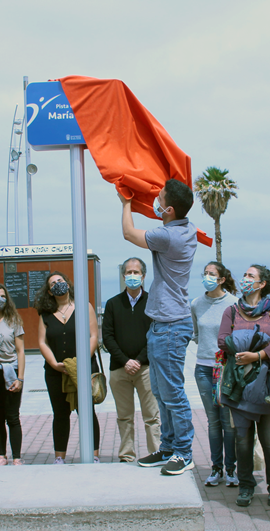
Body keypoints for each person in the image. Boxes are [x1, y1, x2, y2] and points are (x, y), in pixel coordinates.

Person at [119, 178, 198, 476]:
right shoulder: (185, 228)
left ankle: (184, 452)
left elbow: (128, 233)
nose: (155, 198)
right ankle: (168, 447)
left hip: (170, 326)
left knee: (172, 392)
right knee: (162, 391)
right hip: (163, 325)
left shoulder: (169, 237)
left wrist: (126, 201)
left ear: (169, 209)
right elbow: (161, 218)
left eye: (160, 197)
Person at [218, 264, 270, 506]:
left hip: (266, 385)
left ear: (262, 283)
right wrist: (254, 343)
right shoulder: (232, 311)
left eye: (250, 276)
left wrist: (256, 355)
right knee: (242, 440)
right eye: (244, 274)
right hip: (238, 384)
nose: (245, 279)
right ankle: (246, 486)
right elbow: (223, 340)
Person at [35, 271, 101, 463]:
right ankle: (59, 457)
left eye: (60, 281)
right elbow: (42, 342)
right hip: (56, 372)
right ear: (49, 291)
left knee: (87, 412)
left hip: (83, 369)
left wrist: (81, 362)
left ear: (68, 284)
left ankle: (93, 455)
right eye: (53, 283)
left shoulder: (83, 306)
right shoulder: (45, 313)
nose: (58, 284)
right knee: (60, 414)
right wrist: (54, 364)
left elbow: (93, 336)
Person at [103, 257, 161, 463]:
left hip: (146, 369)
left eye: (136, 272)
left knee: (152, 417)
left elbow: (156, 333)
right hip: (120, 369)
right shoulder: (112, 304)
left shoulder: (153, 301)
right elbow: (107, 337)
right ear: (123, 276)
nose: (133, 276)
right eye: (129, 272)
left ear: (144, 276)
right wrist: (125, 361)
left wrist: (138, 360)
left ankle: (156, 453)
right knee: (124, 416)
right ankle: (127, 455)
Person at [192, 261, 238, 486]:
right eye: (205, 273)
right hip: (203, 367)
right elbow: (196, 333)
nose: (207, 277)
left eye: (212, 274)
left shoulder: (234, 304)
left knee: (227, 421)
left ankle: (231, 469)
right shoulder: (196, 303)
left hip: (226, 368)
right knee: (213, 422)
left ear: (221, 279)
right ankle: (216, 467)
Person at [0, 283, 25, 466]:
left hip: (11, 372)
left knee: (13, 416)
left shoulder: (14, 321)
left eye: (2, 295)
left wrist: (20, 378)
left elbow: (20, 351)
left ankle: (17, 456)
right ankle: (2, 455)